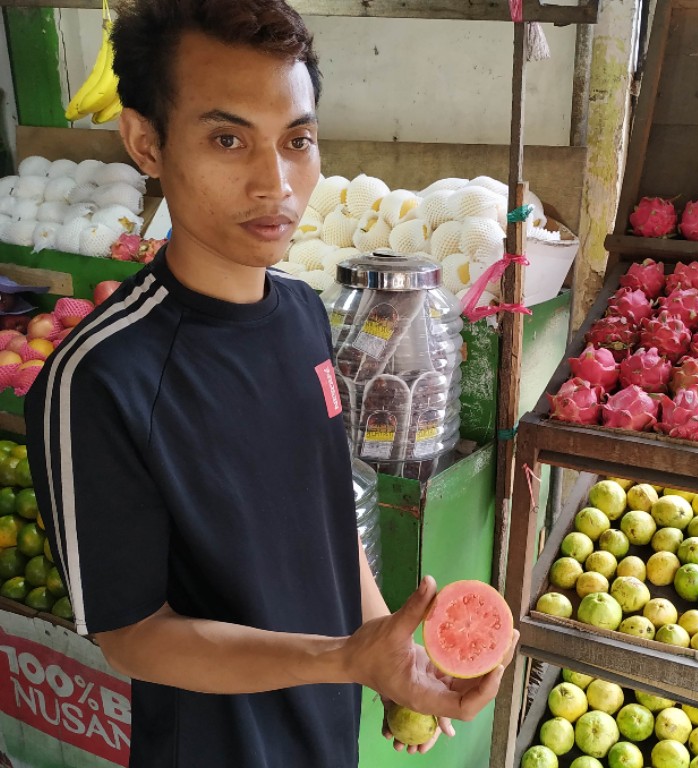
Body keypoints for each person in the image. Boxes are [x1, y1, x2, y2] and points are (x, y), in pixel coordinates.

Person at [25, 1, 515, 765]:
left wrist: (385, 652)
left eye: (298, 141)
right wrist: (344, 660)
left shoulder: (300, 314)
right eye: (228, 139)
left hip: (326, 730)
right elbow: (131, 635)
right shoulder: (99, 378)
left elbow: (325, 516)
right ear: (145, 142)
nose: (275, 183)